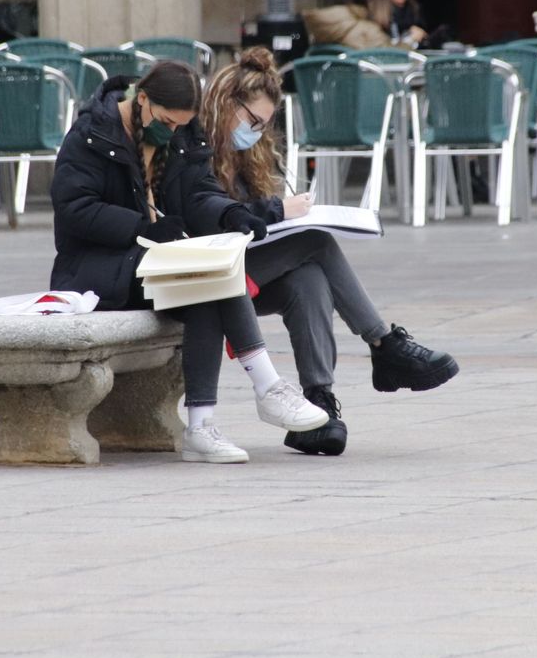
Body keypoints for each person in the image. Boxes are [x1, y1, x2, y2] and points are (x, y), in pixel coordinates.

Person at [49, 59, 330, 464]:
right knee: (206, 279)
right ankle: (263, 389)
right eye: (166, 121)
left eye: (182, 124)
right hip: (97, 268)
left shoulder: (180, 133)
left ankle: (202, 427)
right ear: (142, 99)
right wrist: (137, 228)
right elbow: (75, 208)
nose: (173, 131)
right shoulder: (91, 134)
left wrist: (229, 214)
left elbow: (199, 191)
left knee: (211, 279)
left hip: (151, 261)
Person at [200, 48, 459, 456]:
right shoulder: (195, 148)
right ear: (223, 104)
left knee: (309, 277)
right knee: (315, 243)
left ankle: (317, 405)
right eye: (251, 121)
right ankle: (384, 344)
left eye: (263, 125)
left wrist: (280, 215)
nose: (254, 132)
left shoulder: (247, 157)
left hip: (245, 269)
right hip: (207, 269)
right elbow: (210, 218)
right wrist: (279, 211)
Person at [301, 0, 409, 51]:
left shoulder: (324, 27)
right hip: (360, 80)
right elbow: (394, 57)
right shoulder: (367, 31)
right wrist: (410, 41)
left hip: (328, 80)